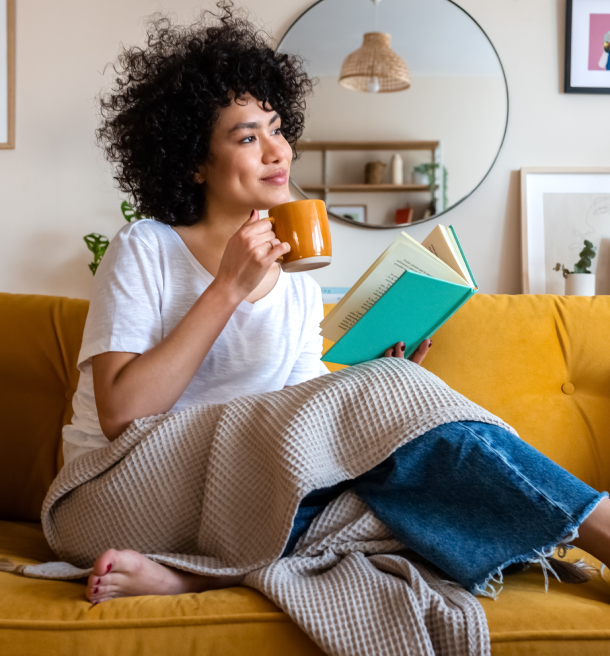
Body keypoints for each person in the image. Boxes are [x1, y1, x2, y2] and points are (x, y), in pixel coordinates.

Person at [62, 3, 610, 606]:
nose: (277, 152)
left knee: (406, 489)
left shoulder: (295, 278)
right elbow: (122, 414)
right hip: (116, 494)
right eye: (248, 137)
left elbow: (298, 434)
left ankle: (193, 574)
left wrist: (391, 384)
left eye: (276, 128)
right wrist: (228, 288)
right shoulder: (146, 248)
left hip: (234, 503)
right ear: (193, 161)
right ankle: (601, 527)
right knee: (402, 464)